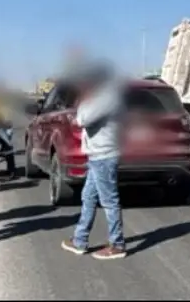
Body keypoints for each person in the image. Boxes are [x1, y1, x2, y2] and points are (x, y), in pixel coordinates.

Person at [61, 64, 129, 260]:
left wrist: (83, 101)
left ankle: (117, 244)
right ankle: (80, 240)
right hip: (98, 156)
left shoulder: (107, 97)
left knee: (109, 201)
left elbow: (82, 119)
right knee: (88, 197)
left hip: (104, 156)